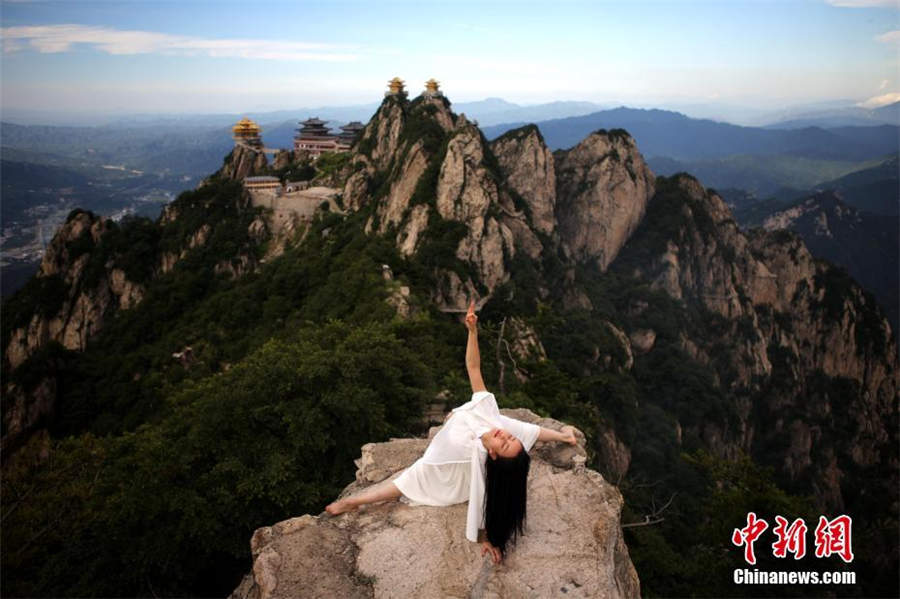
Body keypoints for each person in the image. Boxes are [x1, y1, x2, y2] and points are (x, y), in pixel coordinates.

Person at [325, 300, 577, 564]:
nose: (504, 436)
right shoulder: (494, 424)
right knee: (514, 425)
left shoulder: (469, 456)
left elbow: (481, 503)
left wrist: (488, 538)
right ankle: (564, 436)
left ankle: (351, 503)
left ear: (491, 454)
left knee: (407, 481)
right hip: (474, 425)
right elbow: (474, 368)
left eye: (503, 444)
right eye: (508, 439)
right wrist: (472, 332)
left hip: (452, 469)